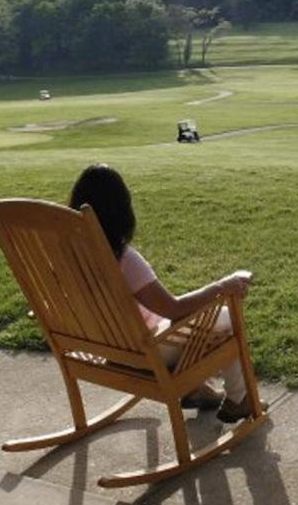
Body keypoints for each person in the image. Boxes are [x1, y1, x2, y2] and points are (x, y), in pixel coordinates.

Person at [69, 164, 266, 422]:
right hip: (144, 353)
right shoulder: (124, 259)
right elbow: (173, 308)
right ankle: (239, 400)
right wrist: (223, 286)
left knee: (184, 323)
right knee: (227, 317)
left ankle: (196, 391)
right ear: (122, 210)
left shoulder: (68, 256)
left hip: (103, 349)